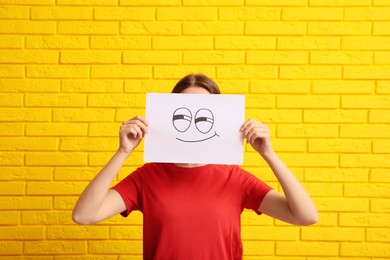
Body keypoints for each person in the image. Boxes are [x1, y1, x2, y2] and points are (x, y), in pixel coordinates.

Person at [72, 74, 318, 259]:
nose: (191, 122)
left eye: (203, 115)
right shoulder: (147, 178)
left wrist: (269, 154)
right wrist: (123, 152)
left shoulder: (236, 179)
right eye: (182, 114)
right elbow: (84, 215)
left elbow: (305, 216)